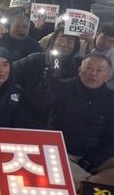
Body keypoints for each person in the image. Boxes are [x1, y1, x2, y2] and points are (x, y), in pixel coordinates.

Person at [39, 54, 114, 186]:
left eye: (99, 70)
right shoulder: (62, 88)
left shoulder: (111, 98)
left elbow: (111, 139)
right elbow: (39, 107)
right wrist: (47, 85)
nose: (93, 73)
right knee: (56, 165)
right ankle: (89, 184)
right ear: (79, 71)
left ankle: (88, 182)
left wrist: (91, 160)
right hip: (62, 152)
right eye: (89, 68)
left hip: (96, 156)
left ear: (108, 76)